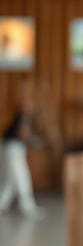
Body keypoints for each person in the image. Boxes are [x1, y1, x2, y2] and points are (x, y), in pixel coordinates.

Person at [0, 90, 43, 218]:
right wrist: (34, 141)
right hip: (13, 150)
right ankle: (28, 208)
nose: (31, 106)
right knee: (22, 178)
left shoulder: (24, 118)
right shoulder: (23, 118)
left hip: (11, 149)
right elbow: (23, 135)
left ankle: (2, 204)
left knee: (9, 182)